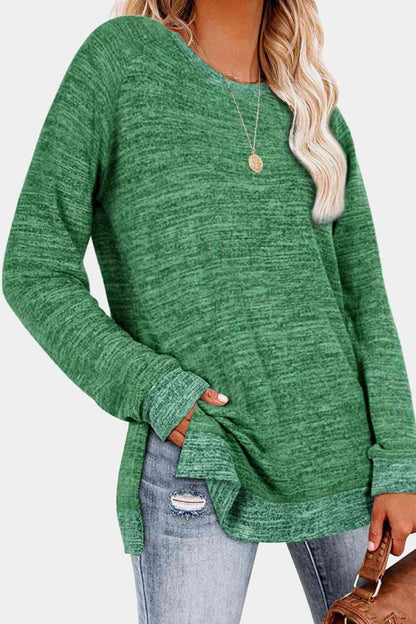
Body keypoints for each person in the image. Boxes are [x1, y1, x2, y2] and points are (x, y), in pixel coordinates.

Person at [3, 1, 416, 622]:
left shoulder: (315, 114)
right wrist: (156, 390)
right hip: (205, 454)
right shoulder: (123, 62)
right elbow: (34, 267)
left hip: (346, 465)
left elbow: (365, 307)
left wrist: (400, 461)